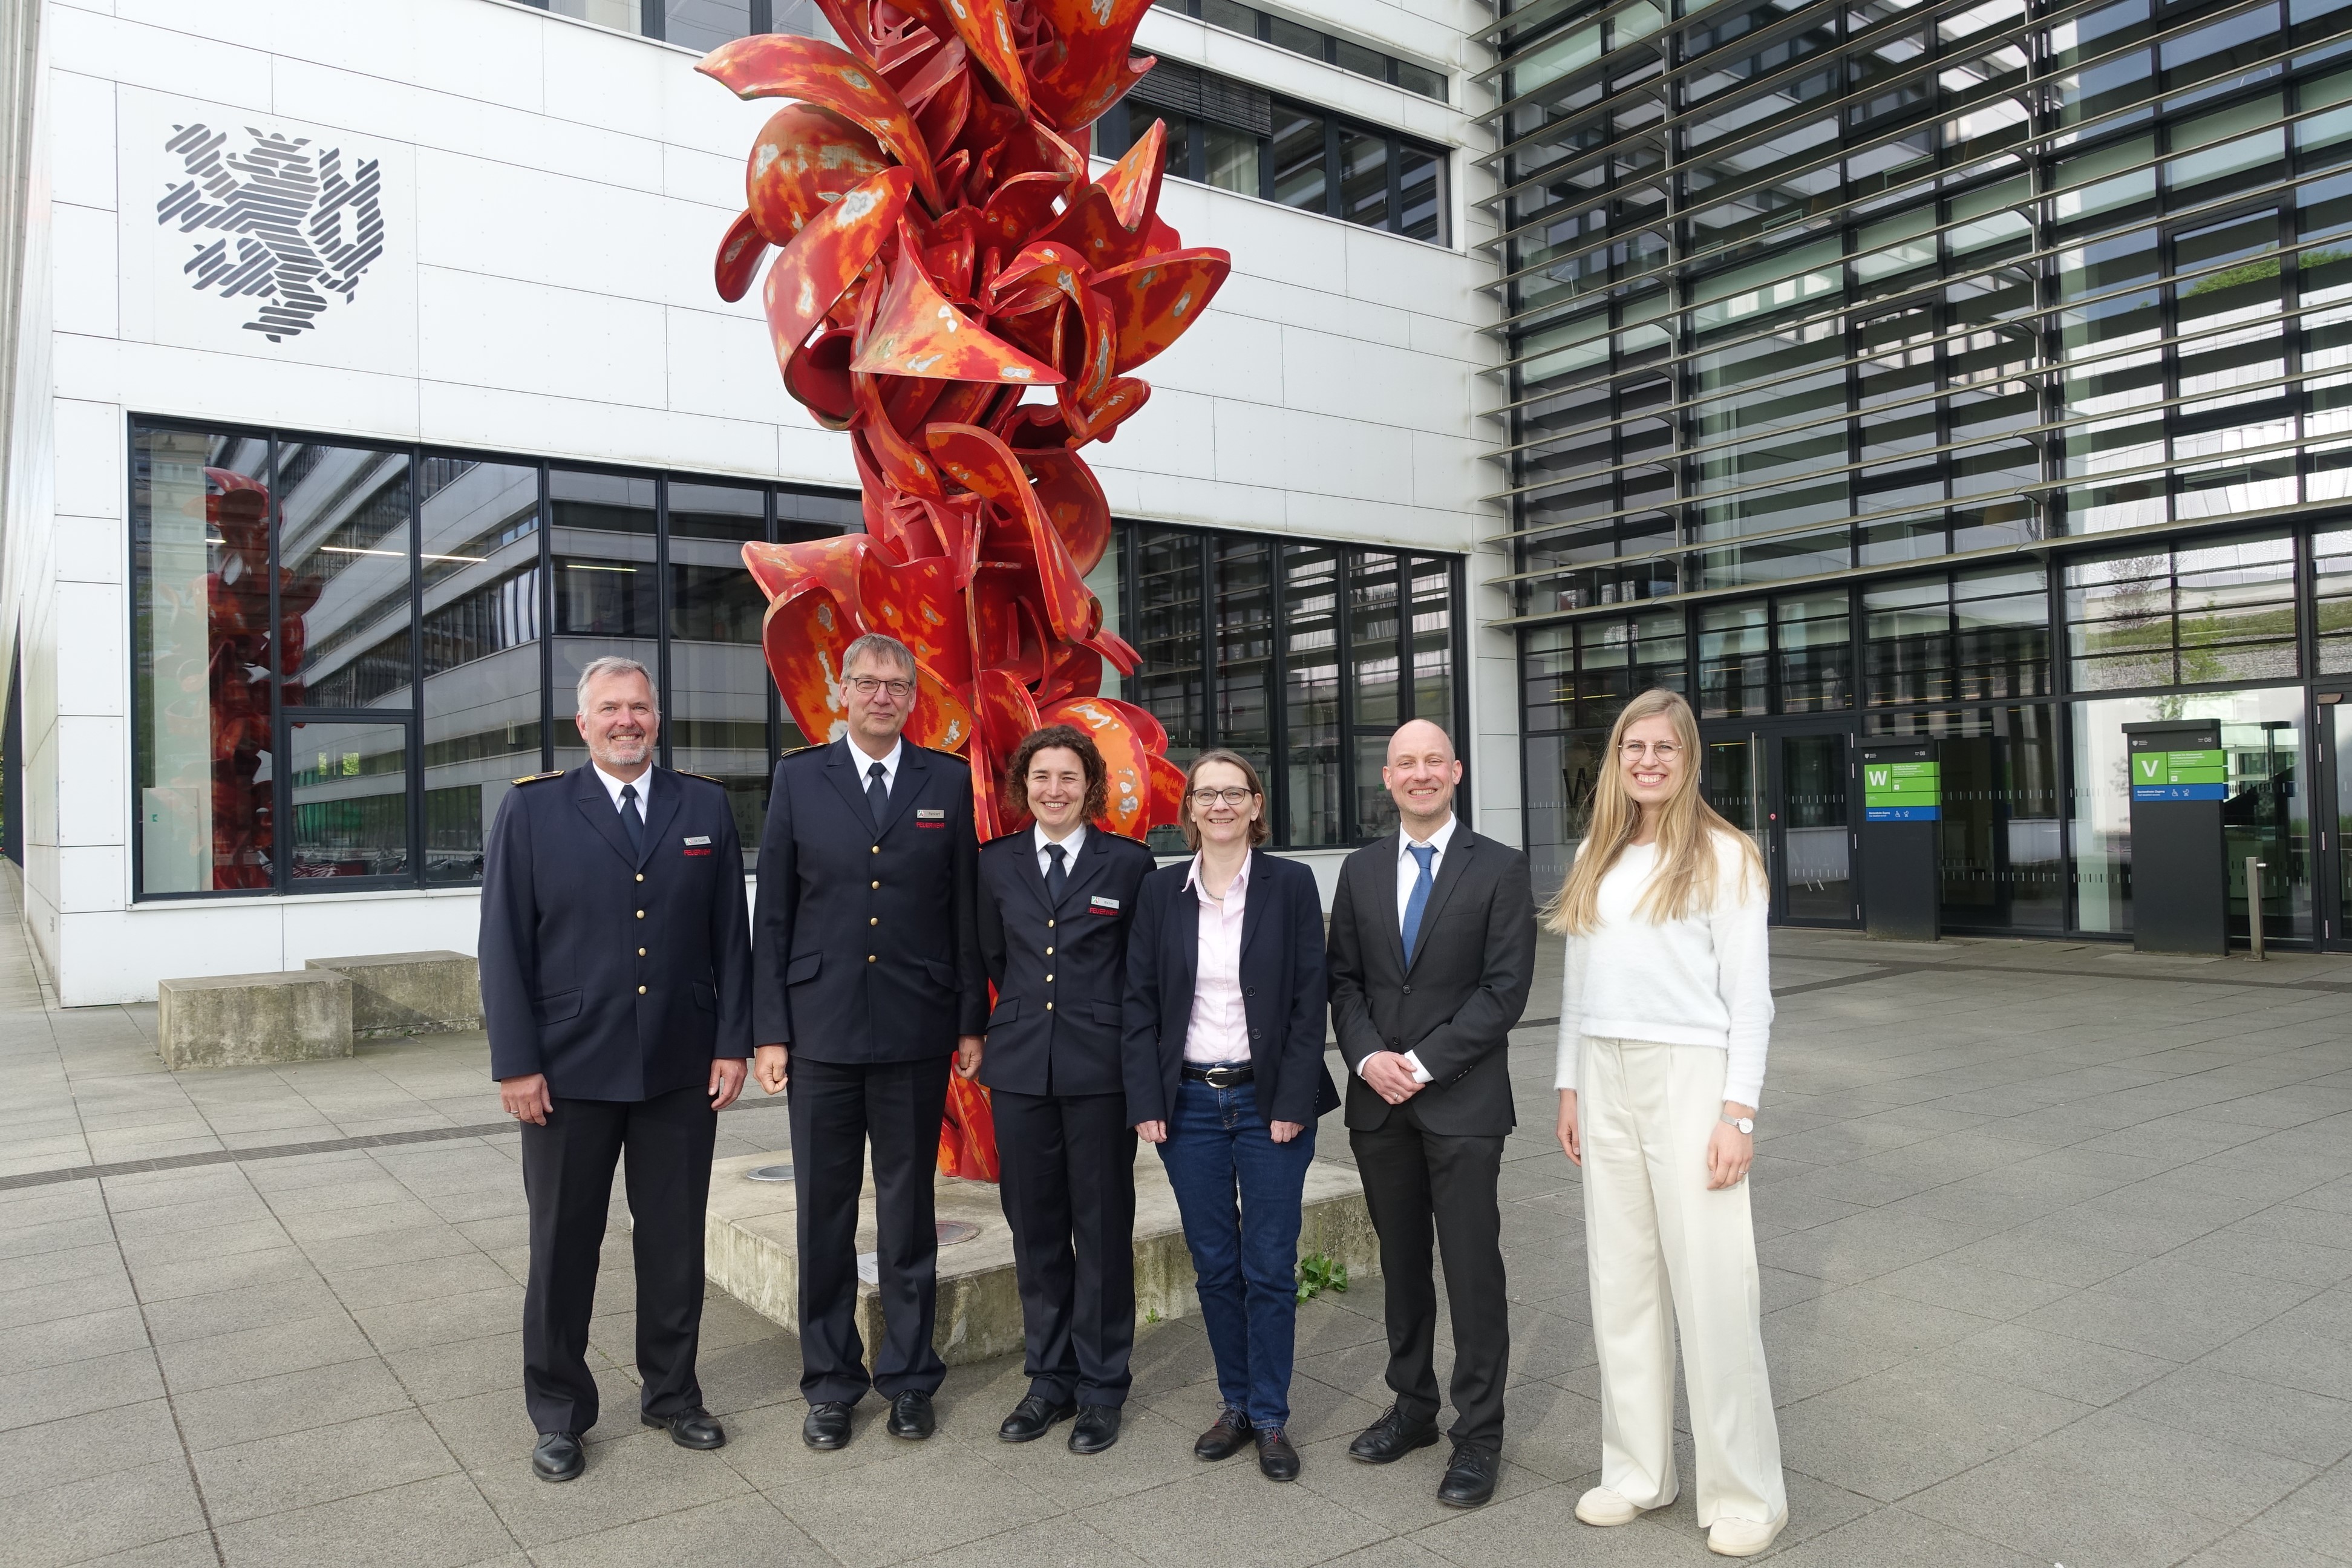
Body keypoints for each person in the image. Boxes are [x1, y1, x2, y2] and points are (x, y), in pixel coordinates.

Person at [478, 655, 753, 1485]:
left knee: (673, 1243)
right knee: (564, 1247)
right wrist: (517, 1064)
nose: (626, 720)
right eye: (610, 709)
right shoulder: (533, 809)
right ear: (583, 723)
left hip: (679, 1066)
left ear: (657, 718)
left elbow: (729, 939)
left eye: (638, 707)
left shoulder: (702, 805)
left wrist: (732, 1043)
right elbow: (502, 945)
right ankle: (559, 1413)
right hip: (568, 1073)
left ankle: (673, 1395)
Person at [1551, 688, 1786, 1558]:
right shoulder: (1598, 852)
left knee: (1715, 1286)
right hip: (1603, 1072)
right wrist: (1569, 1086)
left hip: (1692, 1076)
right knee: (1622, 1281)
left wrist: (1738, 1114)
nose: (1647, 761)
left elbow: (1750, 1000)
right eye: (1632, 747)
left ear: (1690, 759)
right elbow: (1579, 986)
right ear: (1616, 759)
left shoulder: (1727, 856)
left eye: (1664, 748)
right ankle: (1637, 1472)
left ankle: (1745, 1493)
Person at [750, 632, 986, 1451]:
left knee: (908, 1211)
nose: (882, 696)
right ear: (841, 691)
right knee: (824, 1212)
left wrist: (968, 1021)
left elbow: (963, 911)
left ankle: (911, 1378)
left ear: (912, 698)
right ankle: (830, 1383)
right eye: (868, 682)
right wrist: (770, 1032)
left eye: (896, 685)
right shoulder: (798, 778)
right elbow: (774, 914)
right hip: (819, 1030)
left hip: (916, 1026)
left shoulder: (945, 781)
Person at [1327, 719, 1535, 1510]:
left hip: (1463, 1102)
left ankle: (1478, 1434)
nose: (1420, 774)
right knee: (1402, 1265)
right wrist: (1367, 1057)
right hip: (1379, 1106)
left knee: (1473, 1269)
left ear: (1456, 772)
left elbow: (1504, 991)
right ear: (1388, 778)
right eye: (1405, 763)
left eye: (1433, 762)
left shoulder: (1501, 868)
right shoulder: (1360, 869)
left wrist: (1420, 1063)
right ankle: (1412, 1408)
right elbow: (1343, 980)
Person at [1123, 749, 1339, 1482]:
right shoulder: (1161, 891)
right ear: (1189, 809)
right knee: (1215, 1264)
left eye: (1233, 793)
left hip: (1266, 1101)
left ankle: (1272, 1416)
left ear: (1256, 805)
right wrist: (1147, 1100)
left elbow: (1310, 999)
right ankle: (1236, 1404)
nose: (1220, 805)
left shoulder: (1291, 883)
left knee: (1270, 1265)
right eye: (1206, 794)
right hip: (1187, 1103)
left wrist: (1292, 1099)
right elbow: (1139, 1002)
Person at [976, 725, 1157, 1454]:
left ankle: (1103, 1386)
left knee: (1103, 1229)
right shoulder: (995, 863)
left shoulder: (1130, 864)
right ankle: (1049, 1380)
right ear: (1024, 786)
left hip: (1101, 1073)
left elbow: (1142, 974)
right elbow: (992, 956)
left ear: (1091, 787)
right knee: (1036, 1228)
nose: (1055, 790)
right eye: (1042, 777)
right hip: (1021, 1069)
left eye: (1069, 777)